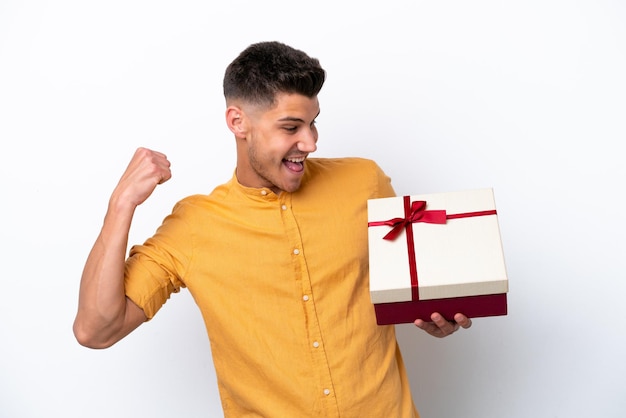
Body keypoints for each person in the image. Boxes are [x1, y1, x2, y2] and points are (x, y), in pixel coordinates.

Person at [73, 41, 472, 418]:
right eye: (291, 127)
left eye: (313, 124)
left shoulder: (365, 182)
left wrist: (438, 315)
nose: (310, 142)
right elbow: (96, 330)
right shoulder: (194, 227)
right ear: (237, 121)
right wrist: (120, 204)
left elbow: (416, 284)